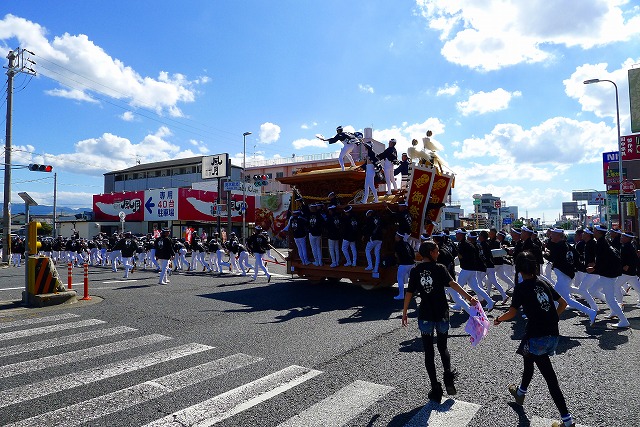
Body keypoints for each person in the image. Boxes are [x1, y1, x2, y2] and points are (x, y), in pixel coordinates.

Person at [494, 251, 577, 427]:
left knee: (550, 379)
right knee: (528, 359)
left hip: (538, 336)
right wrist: (552, 317)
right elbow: (563, 303)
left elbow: (512, 312)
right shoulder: (543, 282)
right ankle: (520, 393)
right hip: (552, 334)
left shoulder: (521, 288)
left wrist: (498, 319)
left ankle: (567, 421)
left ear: (518, 269)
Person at [402, 240, 478, 403]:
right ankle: (448, 377)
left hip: (425, 315)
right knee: (443, 347)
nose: (438, 253)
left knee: (429, 352)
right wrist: (469, 297)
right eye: (436, 251)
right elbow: (453, 284)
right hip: (441, 313)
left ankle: (435, 388)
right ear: (430, 253)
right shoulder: (440, 268)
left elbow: (409, 292)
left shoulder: (416, 270)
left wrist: (405, 311)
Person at [394, 231, 415, 300]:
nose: (395, 236)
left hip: (404, 264)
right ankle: (418, 292)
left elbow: (397, 255)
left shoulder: (397, 244)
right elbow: (412, 252)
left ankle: (401, 295)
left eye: (396, 236)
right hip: (411, 263)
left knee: (400, 278)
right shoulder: (406, 243)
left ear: (398, 237)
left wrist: (397, 263)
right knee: (413, 279)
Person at [363, 209, 384, 274]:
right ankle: (376, 268)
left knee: (367, 250)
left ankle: (370, 265)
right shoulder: (379, 218)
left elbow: (367, 229)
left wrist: (365, 236)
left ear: (369, 214)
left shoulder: (369, 219)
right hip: (380, 238)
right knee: (377, 254)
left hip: (373, 238)